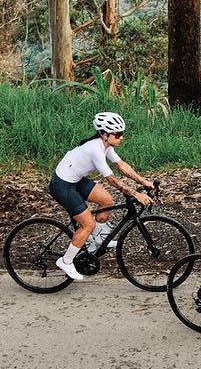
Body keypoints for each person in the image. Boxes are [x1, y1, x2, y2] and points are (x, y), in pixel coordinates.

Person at [48, 111, 157, 281]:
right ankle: (66, 261)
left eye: (122, 133)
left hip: (75, 179)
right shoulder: (94, 149)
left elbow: (122, 166)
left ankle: (96, 240)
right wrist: (135, 194)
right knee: (87, 224)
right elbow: (112, 180)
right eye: (118, 134)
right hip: (62, 185)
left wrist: (144, 182)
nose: (122, 137)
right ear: (105, 135)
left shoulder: (106, 146)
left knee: (106, 200)